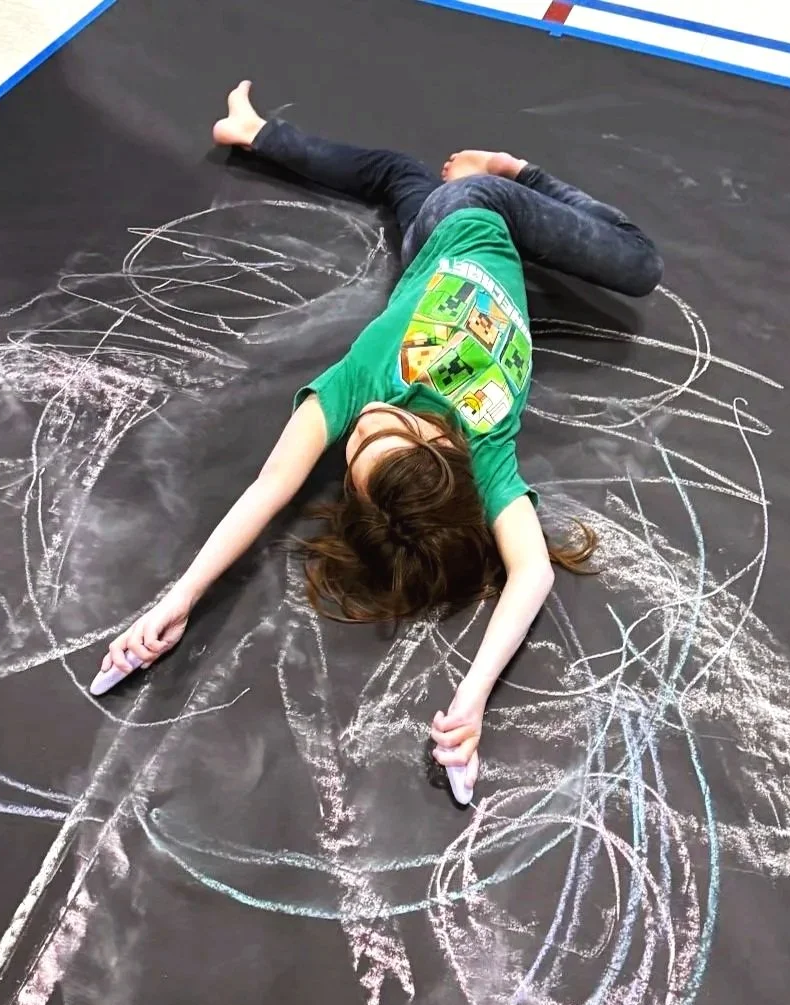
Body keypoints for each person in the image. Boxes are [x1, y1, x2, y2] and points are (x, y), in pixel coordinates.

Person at [97, 81, 663, 791]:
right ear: (440, 452)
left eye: (358, 446)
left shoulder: (362, 377)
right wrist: (471, 702)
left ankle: (283, 138)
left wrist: (176, 597)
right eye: (379, 434)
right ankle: (483, 165)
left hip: (454, 225)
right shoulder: (482, 446)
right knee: (628, 261)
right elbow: (532, 572)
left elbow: (270, 489)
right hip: (464, 220)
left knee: (409, 180)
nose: (363, 425)